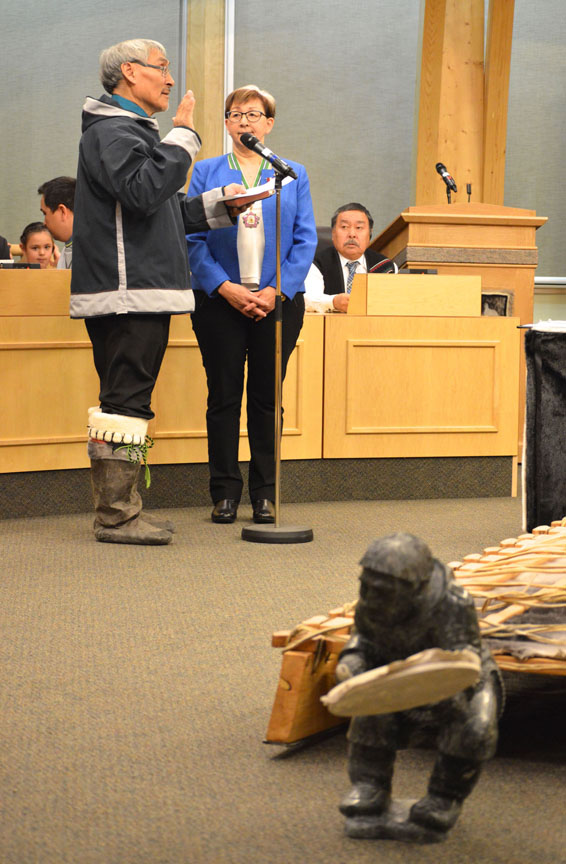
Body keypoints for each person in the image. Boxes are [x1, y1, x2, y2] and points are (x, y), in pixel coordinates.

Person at [71, 38, 245, 546]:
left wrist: (218, 206)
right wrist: (185, 136)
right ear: (129, 71)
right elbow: (146, 190)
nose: (170, 80)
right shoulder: (111, 131)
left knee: (127, 399)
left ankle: (122, 511)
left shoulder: (129, 132)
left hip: (142, 289)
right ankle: (116, 517)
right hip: (129, 291)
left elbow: (158, 208)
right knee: (125, 401)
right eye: (162, 69)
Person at [186, 85, 316, 525]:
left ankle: (266, 493)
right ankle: (224, 492)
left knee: (266, 398)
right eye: (235, 113)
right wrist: (224, 287)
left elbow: (305, 239)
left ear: (269, 123)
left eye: (254, 114)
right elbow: (192, 238)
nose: (244, 121)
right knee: (223, 396)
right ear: (225, 123)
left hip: (276, 302)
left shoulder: (291, 172)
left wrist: (275, 289)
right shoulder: (205, 171)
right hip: (219, 301)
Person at [336, 533, 503, 836]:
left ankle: (444, 797)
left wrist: (446, 691)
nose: (370, 596)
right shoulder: (371, 600)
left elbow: (462, 659)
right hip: (395, 671)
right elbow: (362, 638)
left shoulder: (451, 603)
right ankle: (370, 786)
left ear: (413, 590)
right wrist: (353, 662)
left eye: (382, 590)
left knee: (474, 726)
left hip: (462, 677)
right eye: (367, 586)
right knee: (371, 705)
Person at [304, 202, 396, 314]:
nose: (352, 234)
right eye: (344, 227)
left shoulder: (385, 266)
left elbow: (395, 303)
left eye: (359, 228)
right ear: (333, 233)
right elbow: (307, 299)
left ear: (370, 234)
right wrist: (333, 302)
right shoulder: (316, 264)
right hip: (331, 328)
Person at [38, 176, 76, 269]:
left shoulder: (94, 252)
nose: (44, 223)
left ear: (62, 211)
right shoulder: (66, 251)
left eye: (45, 213)